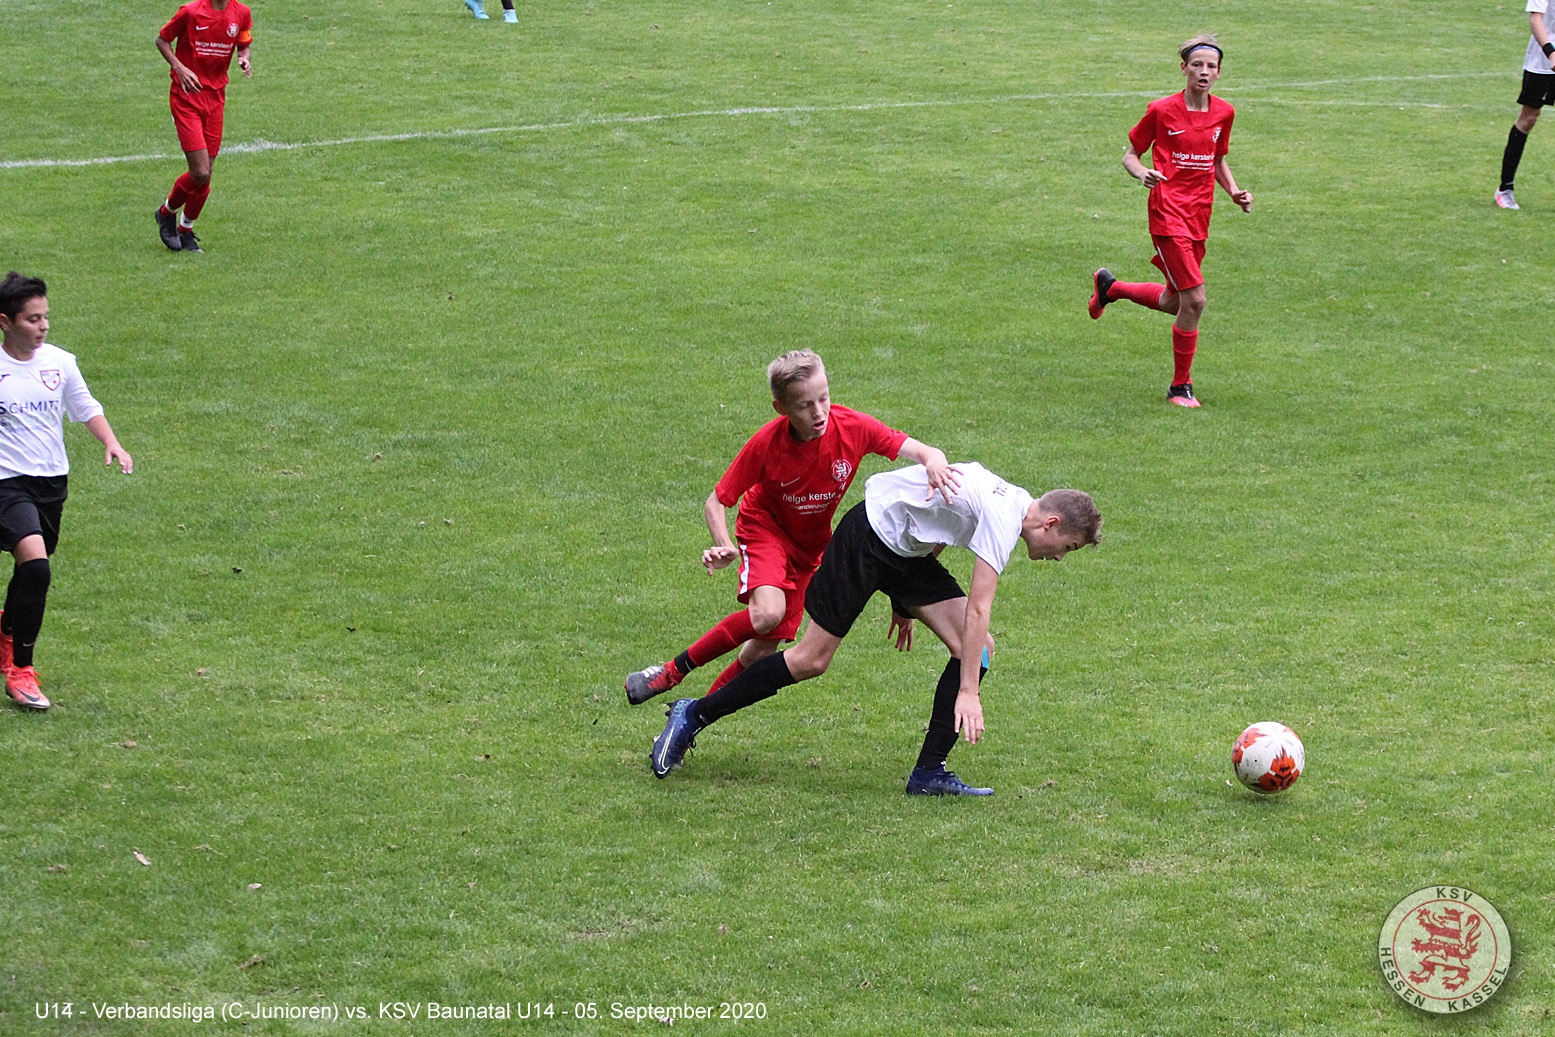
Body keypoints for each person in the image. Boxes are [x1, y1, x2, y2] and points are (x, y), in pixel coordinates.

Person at [649, 462, 1100, 796]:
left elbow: (941, 515)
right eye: (1069, 546)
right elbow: (978, 609)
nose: (1060, 556)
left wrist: (906, 601)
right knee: (811, 660)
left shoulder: (1011, 501)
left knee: (979, 648)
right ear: (1051, 524)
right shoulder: (1006, 517)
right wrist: (968, 692)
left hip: (906, 553)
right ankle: (694, 713)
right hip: (866, 539)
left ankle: (929, 773)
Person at [624, 350, 957, 707]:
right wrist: (724, 544)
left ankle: (691, 719)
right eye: (805, 405)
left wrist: (935, 462)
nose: (819, 412)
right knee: (767, 614)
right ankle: (671, 672)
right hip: (764, 530)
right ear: (780, 408)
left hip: (809, 550)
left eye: (824, 398)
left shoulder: (853, 427)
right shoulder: (767, 444)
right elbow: (717, 501)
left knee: (760, 654)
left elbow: (924, 451)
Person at [1087, 33, 1252, 409]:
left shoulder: (1224, 113)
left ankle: (1111, 288)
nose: (1204, 72)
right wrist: (1142, 172)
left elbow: (1217, 159)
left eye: (1211, 66)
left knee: (1175, 301)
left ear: (1219, 73)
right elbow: (1130, 155)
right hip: (1167, 214)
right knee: (1196, 300)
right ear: (1184, 69)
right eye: (1197, 65)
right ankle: (1180, 387)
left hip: (1200, 215)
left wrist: (1234, 192)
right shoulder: (1161, 111)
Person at [0, 274, 134, 711]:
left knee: (31, 569)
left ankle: (6, 631)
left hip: (51, 481)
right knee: (37, 566)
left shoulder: (60, 363)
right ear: (5, 322)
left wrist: (112, 442)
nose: (43, 326)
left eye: (46, 317)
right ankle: (22, 672)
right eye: (32, 319)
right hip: (6, 482)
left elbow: (85, 406)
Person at [153, 0, 254, 253]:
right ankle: (166, 213)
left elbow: (244, 44)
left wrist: (244, 59)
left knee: (206, 173)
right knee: (199, 172)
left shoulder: (241, 13)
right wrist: (179, 67)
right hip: (186, 97)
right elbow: (162, 40)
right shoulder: (190, 12)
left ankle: (185, 230)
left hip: (216, 98)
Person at [1495, 1, 1555, 209]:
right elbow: (1536, 19)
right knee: (1528, 118)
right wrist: (1551, 52)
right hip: (1542, 61)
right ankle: (1505, 189)